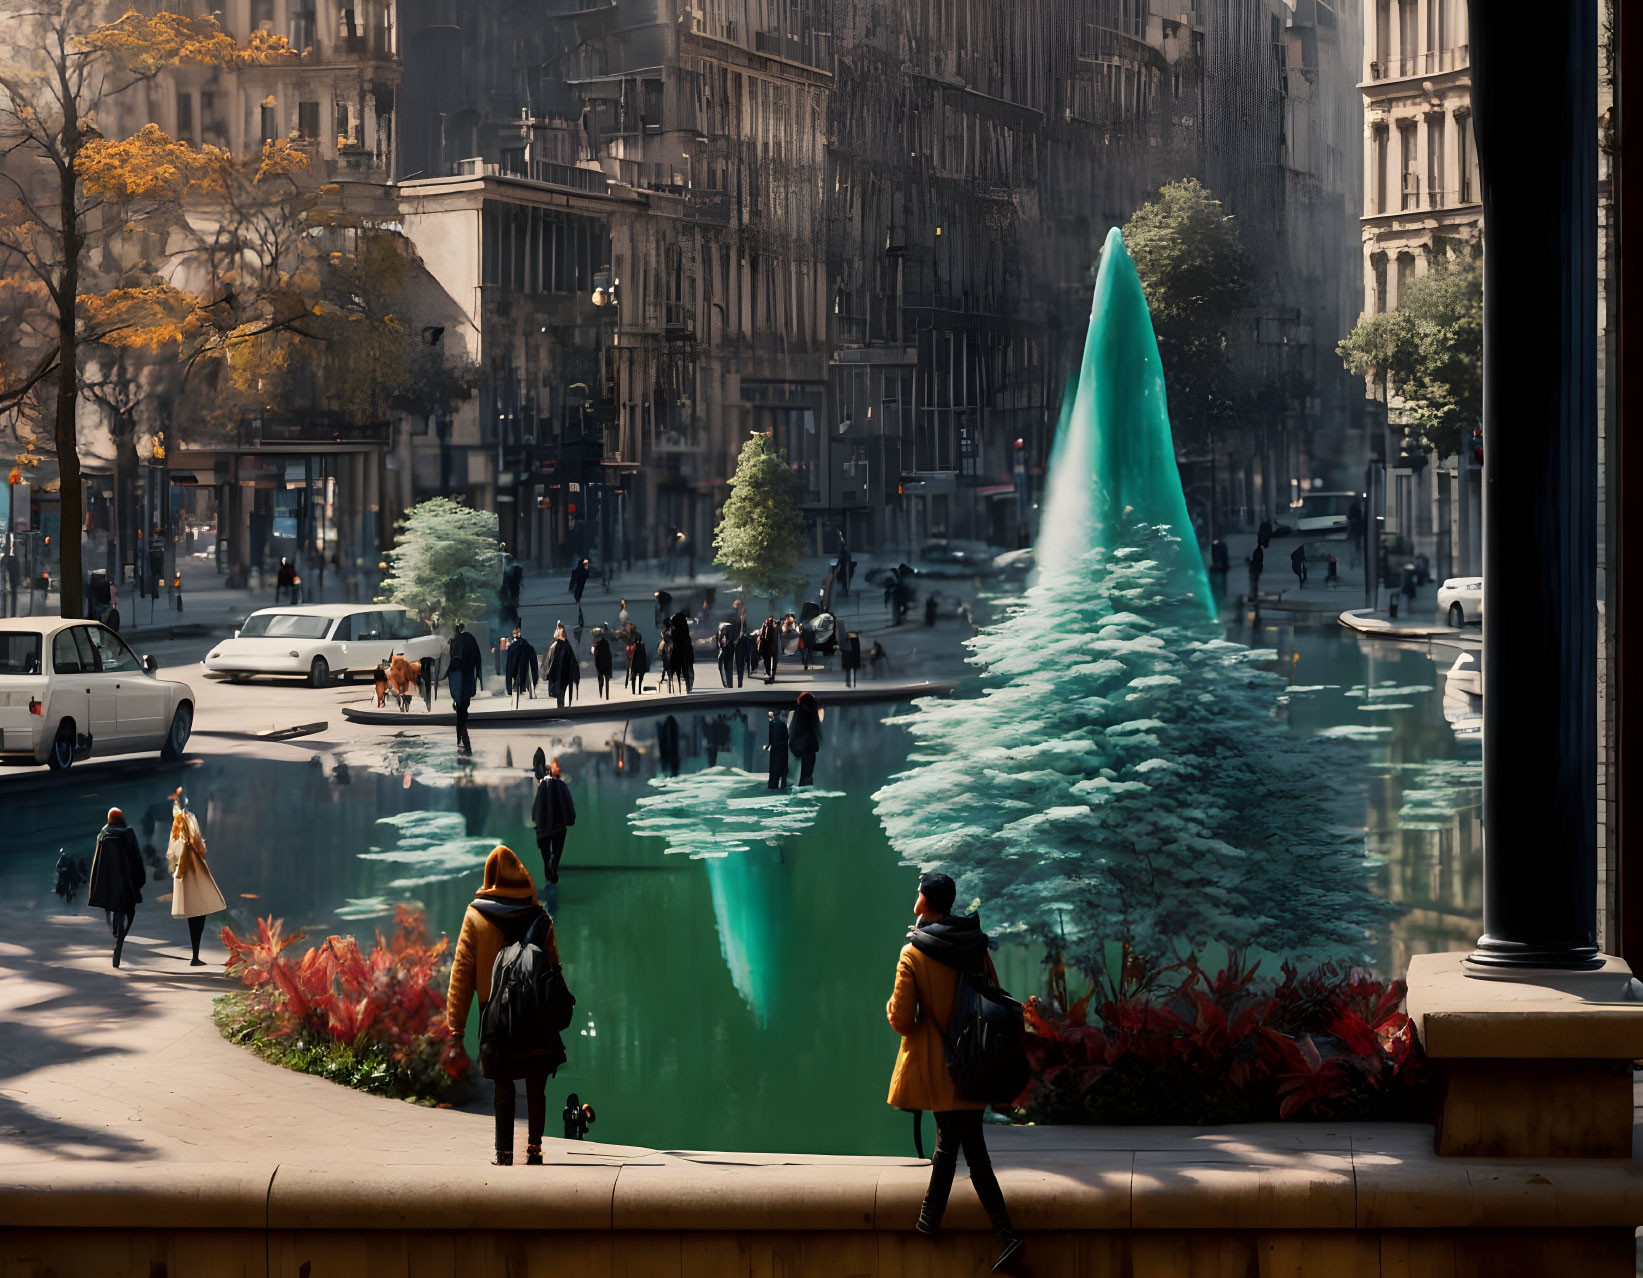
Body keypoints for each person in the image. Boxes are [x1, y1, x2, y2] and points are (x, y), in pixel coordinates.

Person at [887, 873, 1022, 1272]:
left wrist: (890, 1012)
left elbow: (902, 1018)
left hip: (941, 1066)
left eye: (918, 895)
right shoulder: (975, 945)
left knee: (971, 1151)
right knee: (950, 1142)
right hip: (977, 1059)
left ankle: (1008, 1235)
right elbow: (994, 993)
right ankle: (929, 1223)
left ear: (924, 903)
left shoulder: (913, 954)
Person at [446, 846, 562, 1166]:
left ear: (490, 877)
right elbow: (554, 969)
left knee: (503, 1084)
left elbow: (462, 973)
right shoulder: (539, 916)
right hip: (536, 1014)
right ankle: (534, 1148)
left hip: (494, 1012)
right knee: (536, 1083)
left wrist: (455, 1028)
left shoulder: (476, 916)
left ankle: (503, 1152)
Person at [165, 788, 226, 966]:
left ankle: (195, 955)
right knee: (199, 913)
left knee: (194, 914)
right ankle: (195, 956)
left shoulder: (177, 824)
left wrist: (176, 868)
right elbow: (197, 844)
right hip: (193, 869)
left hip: (184, 872)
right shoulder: (188, 820)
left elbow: (173, 851)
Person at [87, 807, 145, 968]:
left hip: (109, 886)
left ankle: (116, 933)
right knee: (129, 912)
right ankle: (120, 941)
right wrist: (139, 883)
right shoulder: (128, 834)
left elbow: (97, 863)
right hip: (126, 885)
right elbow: (136, 859)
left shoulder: (103, 835)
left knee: (114, 911)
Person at [531, 757, 576, 885]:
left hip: (543, 829)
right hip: (559, 827)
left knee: (546, 856)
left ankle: (549, 877)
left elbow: (536, 807)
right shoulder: (561, 785)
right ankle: (553, 870)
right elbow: (568, 803)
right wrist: (570, 819)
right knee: (556, 853)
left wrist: (535, 820)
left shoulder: (541, 786)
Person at [448, 623, 484, 753]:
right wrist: (479, 674)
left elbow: (451, 660)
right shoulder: (470, 639)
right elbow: (477, 658)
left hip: (458, 673)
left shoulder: (455, 641)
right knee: (465, 701)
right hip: (468, 672)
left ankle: (461, 734)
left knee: (460, 702)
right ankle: (462, 727)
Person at [788, 691, 822, 786]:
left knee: (800, 778)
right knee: (807, 777)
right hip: (808, 750)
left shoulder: (799, 715)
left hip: (801, 749)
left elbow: (795, 731)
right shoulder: (812, 716)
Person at [545, 622, 577, 709]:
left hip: (564, 674)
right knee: (560, 694)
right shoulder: (554, 645)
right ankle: (561, 709)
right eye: (557, 629)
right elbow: (549, 660)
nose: (557, 631)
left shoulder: (567, 646)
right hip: (557, 674)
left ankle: (562, 709)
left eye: (559, 629)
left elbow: (573, 662)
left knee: (562, 693)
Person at [505, 626, 538, 701]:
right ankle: (529, 689)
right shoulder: (527, 645)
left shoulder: (512, 646)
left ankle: (514, 688)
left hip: (516, 668)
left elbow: (509, 665)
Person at [670, 610, 695, 693]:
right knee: (686, 669)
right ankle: (687, 686)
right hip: (684, 652)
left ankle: (679, 687)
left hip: (679, 652)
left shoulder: (676, 628)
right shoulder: (684, 629)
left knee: (679, 670)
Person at [765, 709, 789, 790]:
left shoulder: (772, 723)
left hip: (775, 749)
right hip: (782, 749)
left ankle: (772, 785)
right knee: (783, 769)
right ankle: (782, 785)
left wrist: (769, 745)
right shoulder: (782, 724)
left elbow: (769, 737)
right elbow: (786, 736)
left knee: (773, 769)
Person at [759, 615, 780, 683]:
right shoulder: (776, 626)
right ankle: (772, 675)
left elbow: (764, 637)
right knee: (774, 662)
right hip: (775, 647)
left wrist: (761, 638)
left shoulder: (766, 626)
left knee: (767, 661)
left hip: (768, 646)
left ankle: (769, 673)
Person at [592, 631, 613, 699]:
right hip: (606, 666)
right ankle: (606, 696)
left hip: (599, 666)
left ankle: (601, 694)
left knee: (600, 681)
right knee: (606, 681)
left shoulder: (597, 645)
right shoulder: (607, 646)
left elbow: (594, 654)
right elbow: (609, 658)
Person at [716, 623, 736, 687]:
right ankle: (728, 684)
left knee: (724, 666)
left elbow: (727, 639)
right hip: (727, 648)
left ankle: (727, 684)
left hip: (726, 649)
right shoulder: (723, 627)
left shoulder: (726, 627)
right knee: (727, 667)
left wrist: (724, 645)